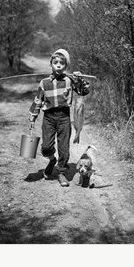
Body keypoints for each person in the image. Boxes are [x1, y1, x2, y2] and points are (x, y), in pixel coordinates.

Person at [28, 49, 90, 187]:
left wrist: (79, 79)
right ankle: (51, 160)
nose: (58, 65)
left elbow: (83, 91)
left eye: (62, 63)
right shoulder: (44, 83)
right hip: (49, 118)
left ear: (66, 66)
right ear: (51, 64)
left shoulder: (69, 80)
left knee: (64, 148)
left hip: (64, 117)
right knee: (46, 147)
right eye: (55, 62)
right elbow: (38, 100)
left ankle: (61, 172)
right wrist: (33, 117)